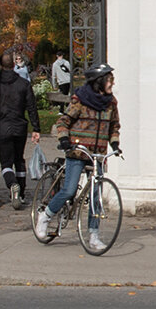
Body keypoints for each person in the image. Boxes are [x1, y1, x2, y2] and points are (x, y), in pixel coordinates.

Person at [38, 64, 120, 241]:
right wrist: (64, 140)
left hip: (97, 154)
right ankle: (46, 216)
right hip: (78, 152)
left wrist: (115, 144)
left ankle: (93, 235)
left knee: (95, 197)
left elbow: (114, 125)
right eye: (109, 79)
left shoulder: (111, 103)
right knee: (69, 190)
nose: (112, 83)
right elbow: (64, 121)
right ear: (99, 81)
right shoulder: (81, 100)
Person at [0, 51, 38, 209]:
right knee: (19, 159)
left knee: (5, 163)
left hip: (3, 126)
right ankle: (22, 193)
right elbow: (31, 107)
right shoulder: (23, 84)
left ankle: (12, 185)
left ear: (0, 65)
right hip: (20, 126)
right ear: (13, 64)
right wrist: (36, 128)